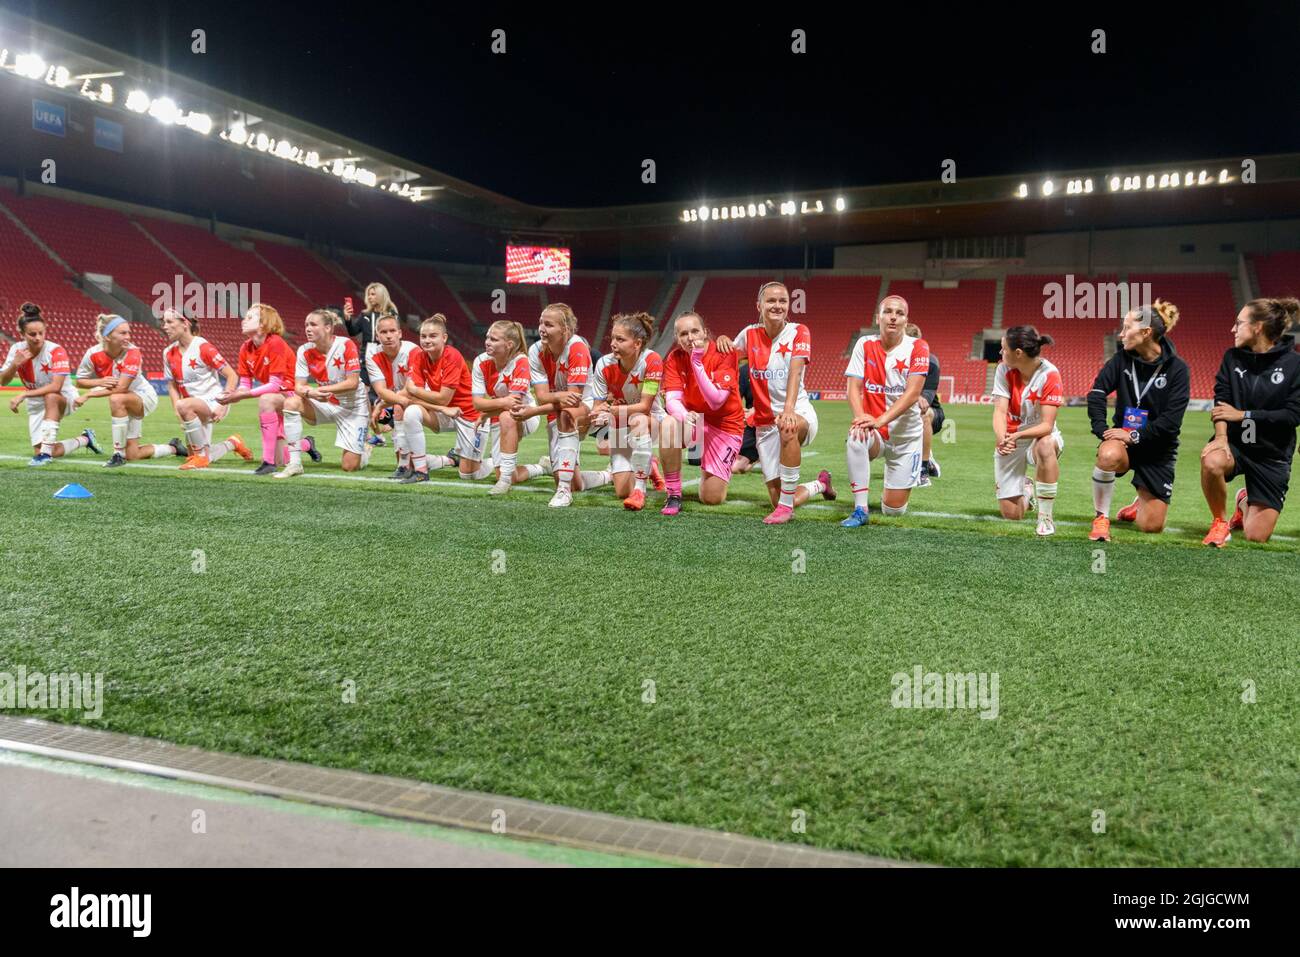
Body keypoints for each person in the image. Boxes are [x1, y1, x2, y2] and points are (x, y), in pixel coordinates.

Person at [716, 281, 832, 523]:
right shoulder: (748, 334)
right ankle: (820, 484)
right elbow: (725, 361)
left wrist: (788, 410)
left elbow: (795, 372)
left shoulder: (799, 331)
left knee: (788, 427)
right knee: (778, 497)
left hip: (797, 411)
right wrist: (723, 340)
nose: (777, 305)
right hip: (765, 423)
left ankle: (785, 511)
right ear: (759, 305)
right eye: (771, 301)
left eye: (782, 301)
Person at [1200, 297, 1300, 546]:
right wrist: (1221, 438)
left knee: (1256, 536)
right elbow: (1221, 400)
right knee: (1212, 460)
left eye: (1239, 323)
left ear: (1257, 327)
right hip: (1236, 445)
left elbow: (1292, 415)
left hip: (1272, 455)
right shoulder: (1231, 357)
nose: (1233, 329)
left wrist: (1244, 415)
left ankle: (1244, 501)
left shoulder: (1295, 365)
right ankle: (1220, 524)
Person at [1085, 301, 1189, 541]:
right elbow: (1097, 393)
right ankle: (1101, 518)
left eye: (1126, 327)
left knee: (1151, 527)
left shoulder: (1178, 369)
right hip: (1123, 445)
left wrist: (1133, 435)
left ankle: (1138, 503)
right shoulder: (1121, 360)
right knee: (1108, 454)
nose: (1121, 334)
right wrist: (1102, 431)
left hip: (1158, 450)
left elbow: (1171, 422)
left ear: (1146, 332)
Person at [840, 296, 928, 527]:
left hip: (906, 437)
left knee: (893, 510)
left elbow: (912, 394)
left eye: (899, 313)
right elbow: (853, 388)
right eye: (888, 312)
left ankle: (892, 489)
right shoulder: (864, 344)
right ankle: (860, 509)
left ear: (906, 320)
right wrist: (861, 418)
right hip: (876, 431)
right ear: (878, 317)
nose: (893, 317)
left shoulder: (918, 347)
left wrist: (880, 420)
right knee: (856, 436)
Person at [513, 303, 610, 507]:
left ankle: (563, 492)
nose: (541, 328)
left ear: (564, 330)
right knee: (576, 482)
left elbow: (573, 400)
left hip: (587, 407)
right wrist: (555, 398)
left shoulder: (577, 348)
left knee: (566, 414)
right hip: (555, 411)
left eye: (548, 324)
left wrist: (533, 412)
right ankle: (607, 474)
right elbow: (541, 396)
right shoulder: (536, 350)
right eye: (541, 322)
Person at [658, 311, 748, 515]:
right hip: (695, 421)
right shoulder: (674, 358)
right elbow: (672, 400)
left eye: (695, 331)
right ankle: (673, 494)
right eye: (683, 334)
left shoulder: (724, 352)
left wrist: (697, 363)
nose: (690, 338)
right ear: (677, 338)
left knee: (712, 498)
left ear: (705, 332)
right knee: (669, 424)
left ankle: (711, 469)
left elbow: (716, 401)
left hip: (725, 425)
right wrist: (684, 415)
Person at [217, 303, 317, 475]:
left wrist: (242, 396)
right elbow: (245, 385)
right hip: (275, 396)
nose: (244, 320)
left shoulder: (275, 343)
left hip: (292, 396)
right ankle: (307, 444)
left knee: (266, 399)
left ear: (263, 324)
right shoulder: (245, 348)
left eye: (249, 317)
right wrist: (232, 395)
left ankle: (267, 462)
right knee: (282, 459)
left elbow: (275, 385)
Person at [74, 314, 184, 467]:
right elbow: (79, 381)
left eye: (128, 332)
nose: (128, 337)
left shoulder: (133, 352)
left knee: (116, 398)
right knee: (133, 455)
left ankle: (117, 454)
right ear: (107, 337)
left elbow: (121, 388)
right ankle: (173, 448)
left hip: (143, 397)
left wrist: (89, 394)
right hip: (124, 402)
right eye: (122, 333)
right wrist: (99, 381)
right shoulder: (92, 354)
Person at [402, 314, 497, 483]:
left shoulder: (452, 356)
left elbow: (442, 398)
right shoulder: (419, 357)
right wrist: (439, 407)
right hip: (445, 413)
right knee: (411, 412)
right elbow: (411, 397)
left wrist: (415, 390)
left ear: (444, 338)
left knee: (469, 474)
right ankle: (422, 471)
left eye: (433, 336)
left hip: (470, 415)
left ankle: (497, 459)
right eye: (423, 336)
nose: (427, 340)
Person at [1, 301, 98, 465]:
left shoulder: (56, 351)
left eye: (41, 333)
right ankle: (84, 439)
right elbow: (3, 380)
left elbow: (56, 387)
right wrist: (15, 365)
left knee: (51, 396)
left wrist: (24, 394)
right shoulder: (16, 350)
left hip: (63, 398)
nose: (38, 337)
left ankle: (44, 456)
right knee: (47, 449)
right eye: (32, 334)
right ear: (22, 334)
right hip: (36, 403)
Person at [276, 308, 369, 478]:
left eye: (313, 324)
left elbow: (353, 383)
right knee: (291, 403)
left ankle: (364, 450)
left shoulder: (346, 345)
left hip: (353, 407)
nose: (308, 329)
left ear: (328, 328)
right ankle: (295, 464)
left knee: (349, 467)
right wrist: (311, 394)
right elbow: (299, 387)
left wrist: (320, 390)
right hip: (326, 403)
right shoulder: (304, 350)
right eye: (306, 325)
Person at [991, 325, 1064, 536]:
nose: (1000, 352)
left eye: (1003, 348)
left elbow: (1047, 426)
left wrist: (1019, 435)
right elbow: (999, 411)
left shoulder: (1050, 374)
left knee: (1045, 446)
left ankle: (1045, 518)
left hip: (1038, 436)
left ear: (1018, 353)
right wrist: (1002, 438)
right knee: (1012, 515)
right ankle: (1027, 489)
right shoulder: (1003, 369)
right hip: (1012, 437)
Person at [586, 312, 663, 510]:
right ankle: (649, 466)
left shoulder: (652, 361)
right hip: (620, 422)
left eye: (620, 339)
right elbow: (597, 406)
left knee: (638, 419)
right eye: (612, 338)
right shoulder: (603, 364)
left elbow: (644, 407)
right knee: (621, 491)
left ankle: (640, 490)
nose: (613, 343)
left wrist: (610, 410)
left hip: (651, 421)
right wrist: (598, 412)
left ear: (637, 343)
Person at [160, 308, 251, 470]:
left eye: (169, 322)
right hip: (191, 406)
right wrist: (177, 410)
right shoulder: (167, 353)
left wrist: (223, 404)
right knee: (192, 454)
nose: (164, 326)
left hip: (213, 401)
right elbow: (172, 384)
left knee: (198, 453)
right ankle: (232, 443)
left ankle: (201, 457)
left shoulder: (203, 347)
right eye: (163, 322)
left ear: (185, 323)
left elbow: (231, 375)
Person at [471, 320, 549, 494]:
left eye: (493, 339)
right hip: (498, 415)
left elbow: (514, 405)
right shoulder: (480, 362)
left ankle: (504, 482)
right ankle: (543, 467)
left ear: (509, 345)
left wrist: (487, 412)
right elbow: (477, 403)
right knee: (505, 473)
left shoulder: (521, 361)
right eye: (487, 337)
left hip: (526, 415)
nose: (487, 342)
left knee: (508, 416)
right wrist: (498, 405)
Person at [365, 315, 419, 479]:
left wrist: (382, 405)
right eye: (383, 332)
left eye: (392, 331)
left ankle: (406, 465)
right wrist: (389, 402)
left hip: (425, 396)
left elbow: (412, 388)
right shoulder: (372, 354)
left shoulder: (413, 351)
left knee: (470, 471)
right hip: (399, 400)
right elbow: (381, 391)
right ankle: (407, 464)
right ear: (377, 336)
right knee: (398, 406)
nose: (388, 335)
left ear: (400, 333)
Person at [904, 322, 944, 485]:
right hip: (901, 413)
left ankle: (923, 469)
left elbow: (927, 396)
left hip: (932, 412)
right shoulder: (891, 359)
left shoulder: (930, 361)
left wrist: (918, 398)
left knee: (922, 413)